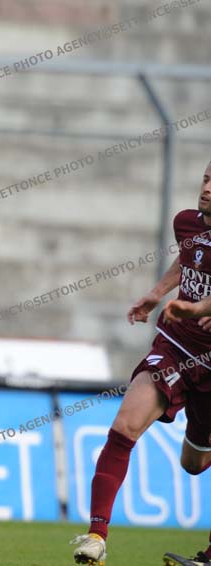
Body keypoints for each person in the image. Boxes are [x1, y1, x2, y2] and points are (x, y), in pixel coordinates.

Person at [72, 161, 211, 566]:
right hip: (176, 345)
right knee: (124, 427)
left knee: (194, 463)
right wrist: (158, 293)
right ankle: (96, 536)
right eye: (207, 178)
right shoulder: (186, 222)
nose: (207, 188)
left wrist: (196, 307)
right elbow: (188, 259)